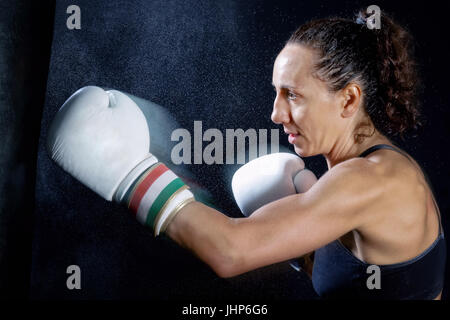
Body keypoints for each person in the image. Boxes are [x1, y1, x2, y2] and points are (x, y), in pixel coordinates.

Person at [47, 10, 446, 300]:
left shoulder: (371, 181)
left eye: (293, 95)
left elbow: (230, 252)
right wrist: (305, 255)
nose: (275, 113)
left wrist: (130, 174)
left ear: (348, 100)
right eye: (276, 92)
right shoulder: (358, 176)